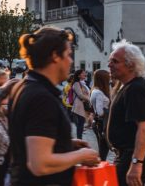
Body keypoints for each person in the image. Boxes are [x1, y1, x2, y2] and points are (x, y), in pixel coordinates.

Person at [8, 27, 99, 185]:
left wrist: (65, 143)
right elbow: (40, 164)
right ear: (55, 56)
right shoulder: (42, 98)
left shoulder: (23, 86)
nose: (71, 61)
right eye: (69, 55)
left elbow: (27, 139)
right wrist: (82, 156)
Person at [107, 40, 145, 186]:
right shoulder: (129, 87)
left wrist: (136, 164)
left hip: (132, 157)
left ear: (131, 65)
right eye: (110, 61)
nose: (109, 65)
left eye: (115, 61)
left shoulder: (135, 89)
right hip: (126, 156)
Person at [89, 69, 112, 160]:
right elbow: (100, 112)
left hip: (99, 123)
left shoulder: (95, 90)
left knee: (103, 150)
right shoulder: (98, 93)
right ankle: (101, 170)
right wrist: (109, 110)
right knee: (103, 150)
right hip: (102, 124)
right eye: (108, 78)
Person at [69, 69, 91, 139]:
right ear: (78, 75)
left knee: (81, 125)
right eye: (83, 73)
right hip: (78, 107)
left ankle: (80, 140)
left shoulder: (82, 83)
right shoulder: (76, 83)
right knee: (80, 125)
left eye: (85, 73)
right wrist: (89, 99)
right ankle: (79, 140)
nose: (85, 74)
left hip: (82, 106)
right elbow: (80, 95)